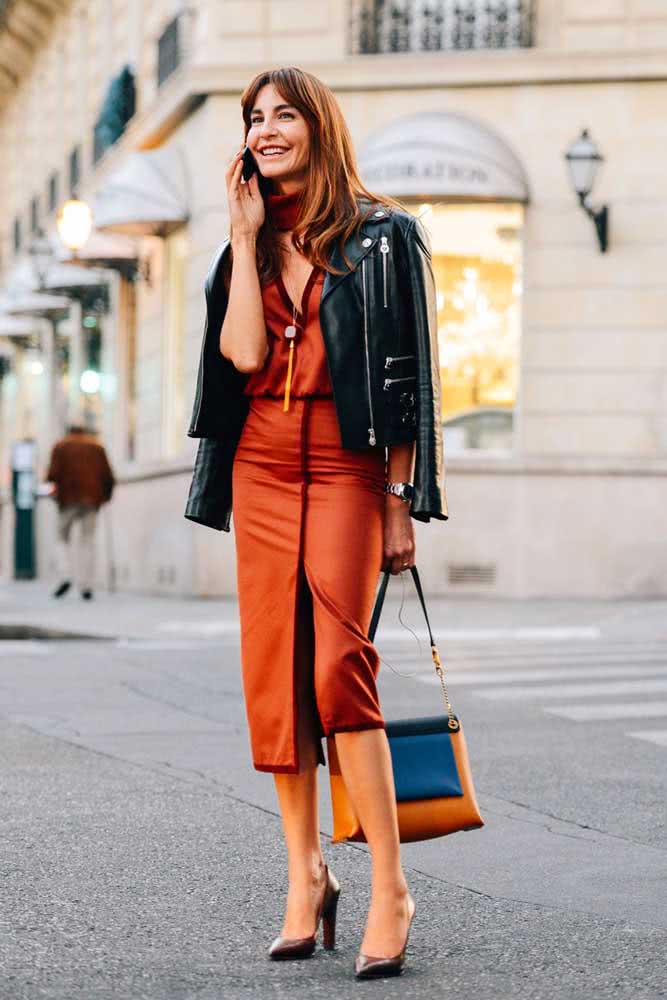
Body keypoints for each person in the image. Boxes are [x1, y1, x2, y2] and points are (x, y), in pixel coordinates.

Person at [184, 67, 447, 979]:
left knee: (340, 669)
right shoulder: (243, 249)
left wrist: (399, 501)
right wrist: (243, 236)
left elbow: (408, 378)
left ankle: (389, 885)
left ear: (316, 126)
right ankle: (304, 879)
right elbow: (244, 357)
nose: (264, 130)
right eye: (253, 119)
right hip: (260, 462)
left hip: (345, 462)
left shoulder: (384, 237)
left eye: (282, 115)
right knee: (276, 680)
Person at [45, 423, 115, 600]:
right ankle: (86, 585)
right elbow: (108, 476)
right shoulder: (97, 447)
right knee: (88, 541)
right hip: (92, 500)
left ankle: (66, 575)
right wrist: (106, 496)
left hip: (67, 499)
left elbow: (52, 475)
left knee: (61, 539)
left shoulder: (60, 446)